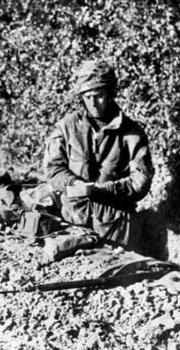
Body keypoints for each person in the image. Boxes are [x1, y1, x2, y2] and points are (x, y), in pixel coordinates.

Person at [43, 59, 166, 259]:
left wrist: (102, 190)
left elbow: (141, 181)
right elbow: (53, 169)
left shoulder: (131, 133)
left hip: (118, 227)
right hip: (74, 222)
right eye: (88, 96)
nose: (93, 102)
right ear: (81, 97)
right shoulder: (66, 127)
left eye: (99, 95)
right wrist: (74, 183)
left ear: (110, 94)